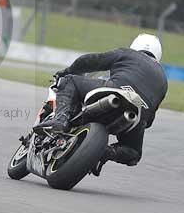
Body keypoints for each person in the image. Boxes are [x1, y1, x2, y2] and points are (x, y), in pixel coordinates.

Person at [38, 34, 168, 176]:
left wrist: (67, 71)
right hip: (138, 114)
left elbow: (89, 61)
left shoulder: (128, 54)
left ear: (135, 46)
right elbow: (150, 120)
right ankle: (104, 153)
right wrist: (140, 122)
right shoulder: (163, 79)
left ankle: (60, 119)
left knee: (70, 81)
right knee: (133, 152)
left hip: (116, 90)